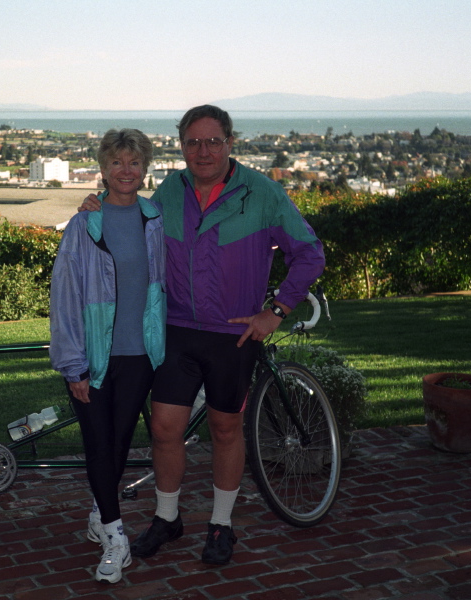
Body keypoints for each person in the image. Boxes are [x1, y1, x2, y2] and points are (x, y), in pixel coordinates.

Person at [80, 105, 325, 565]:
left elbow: (309, 253)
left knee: (225, 428)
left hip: (232, 335)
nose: (203, 150)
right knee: (165, 429)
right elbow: (131, 213)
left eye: (213, 141)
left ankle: (221, 524)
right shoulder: (171, 190)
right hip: (176, 330)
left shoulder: (262, 192)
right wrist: (94, 203)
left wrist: (276, 310)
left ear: (230, 142)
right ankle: (167, 518)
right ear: (182, 146)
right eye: (193, 142)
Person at [49, 128, 166, 583]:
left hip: (139, 354)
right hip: (91, 355)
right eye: (117, 162)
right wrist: (73, 362)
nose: (125, 171)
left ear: (144, 169)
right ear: (103, 169)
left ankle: (101, 512)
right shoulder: (84, 225)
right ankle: (117, 538)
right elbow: (65, 295)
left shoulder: (155, 218)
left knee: (118, 444)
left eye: (134, 163)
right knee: (98, 443)